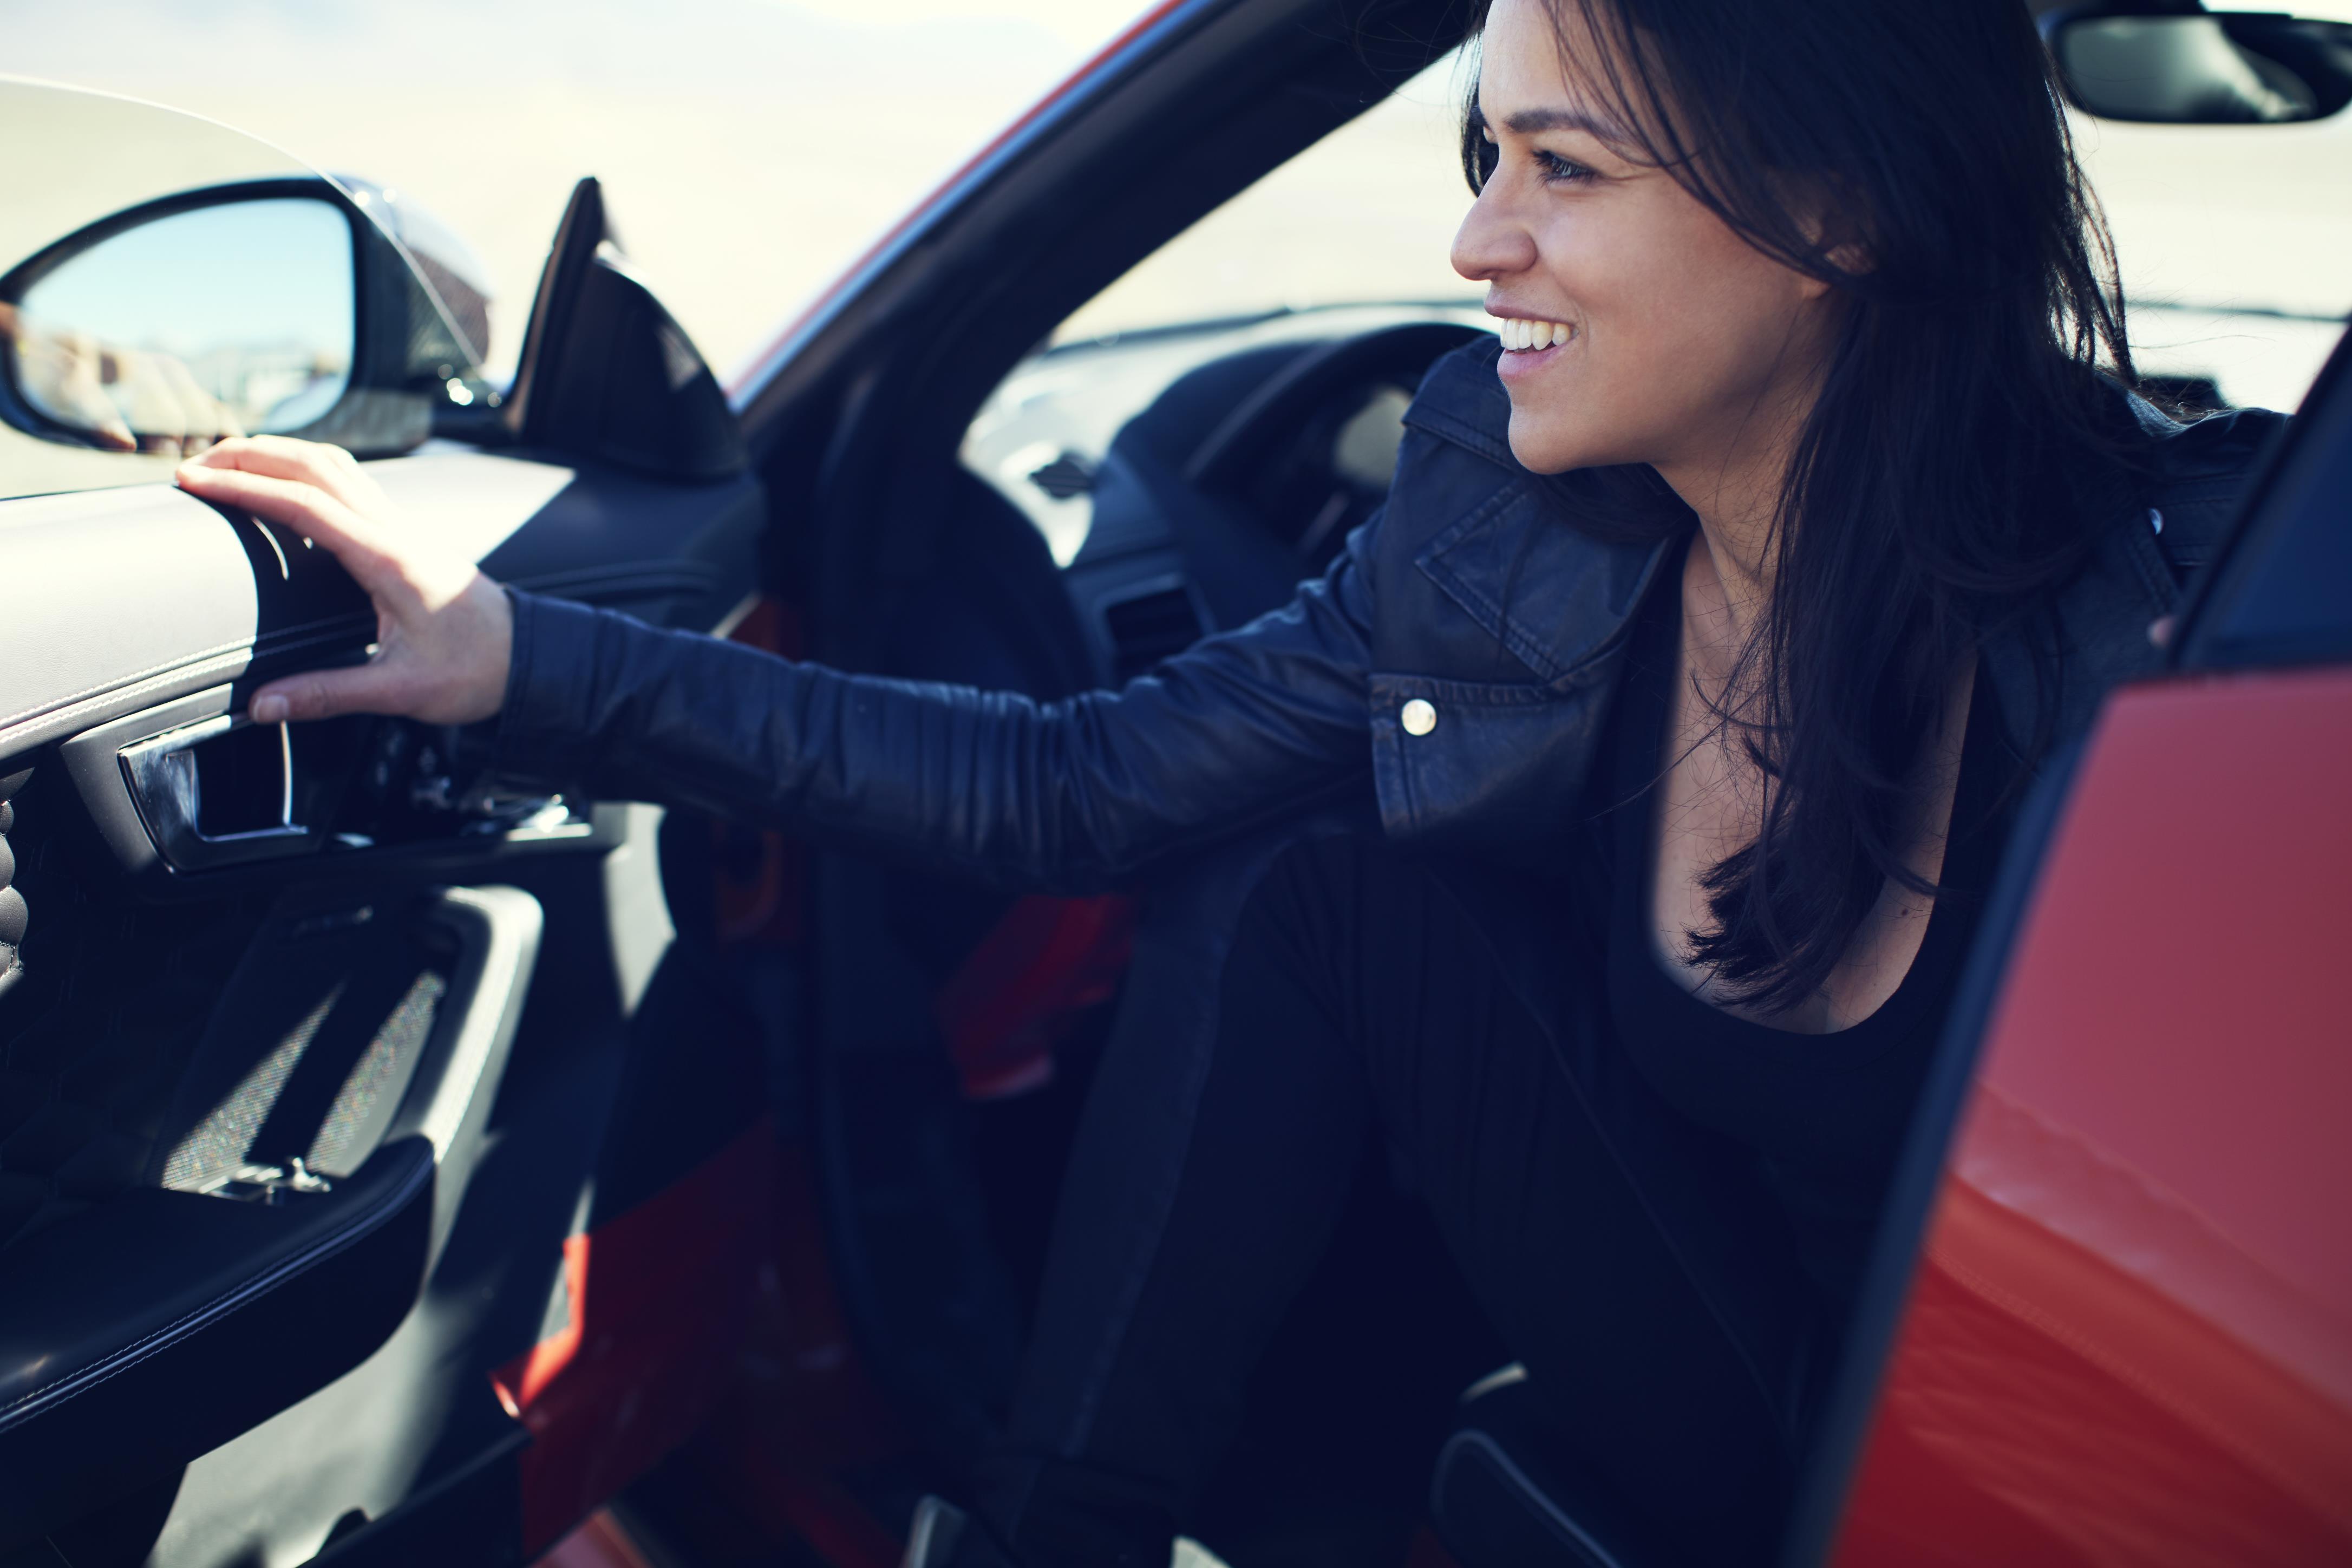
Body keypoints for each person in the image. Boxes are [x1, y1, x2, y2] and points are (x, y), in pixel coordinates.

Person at [173, 0, 2281, 1560]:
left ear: (1838, 213)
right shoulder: (1505, 527)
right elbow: (1073, 790)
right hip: (1732, 1391)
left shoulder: (2200, 639)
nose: (1479, 248)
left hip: (2062, 1472)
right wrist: (513, 652)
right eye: (1481, 159)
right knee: (1310, 879)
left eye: (1565, 170)